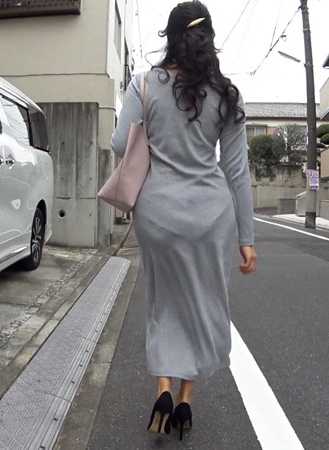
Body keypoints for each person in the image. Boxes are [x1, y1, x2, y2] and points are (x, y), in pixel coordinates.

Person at [110, 0, 258, 441]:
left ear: (171, 38)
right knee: (201, 303)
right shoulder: (228, 95)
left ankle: (163, 389)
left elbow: (119, 144)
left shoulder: (145, 83)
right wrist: (246, 238)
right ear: (208, 39)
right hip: (211, 216)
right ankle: (186, 400)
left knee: (163, 302)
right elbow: (237, 171)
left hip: (157, 214)